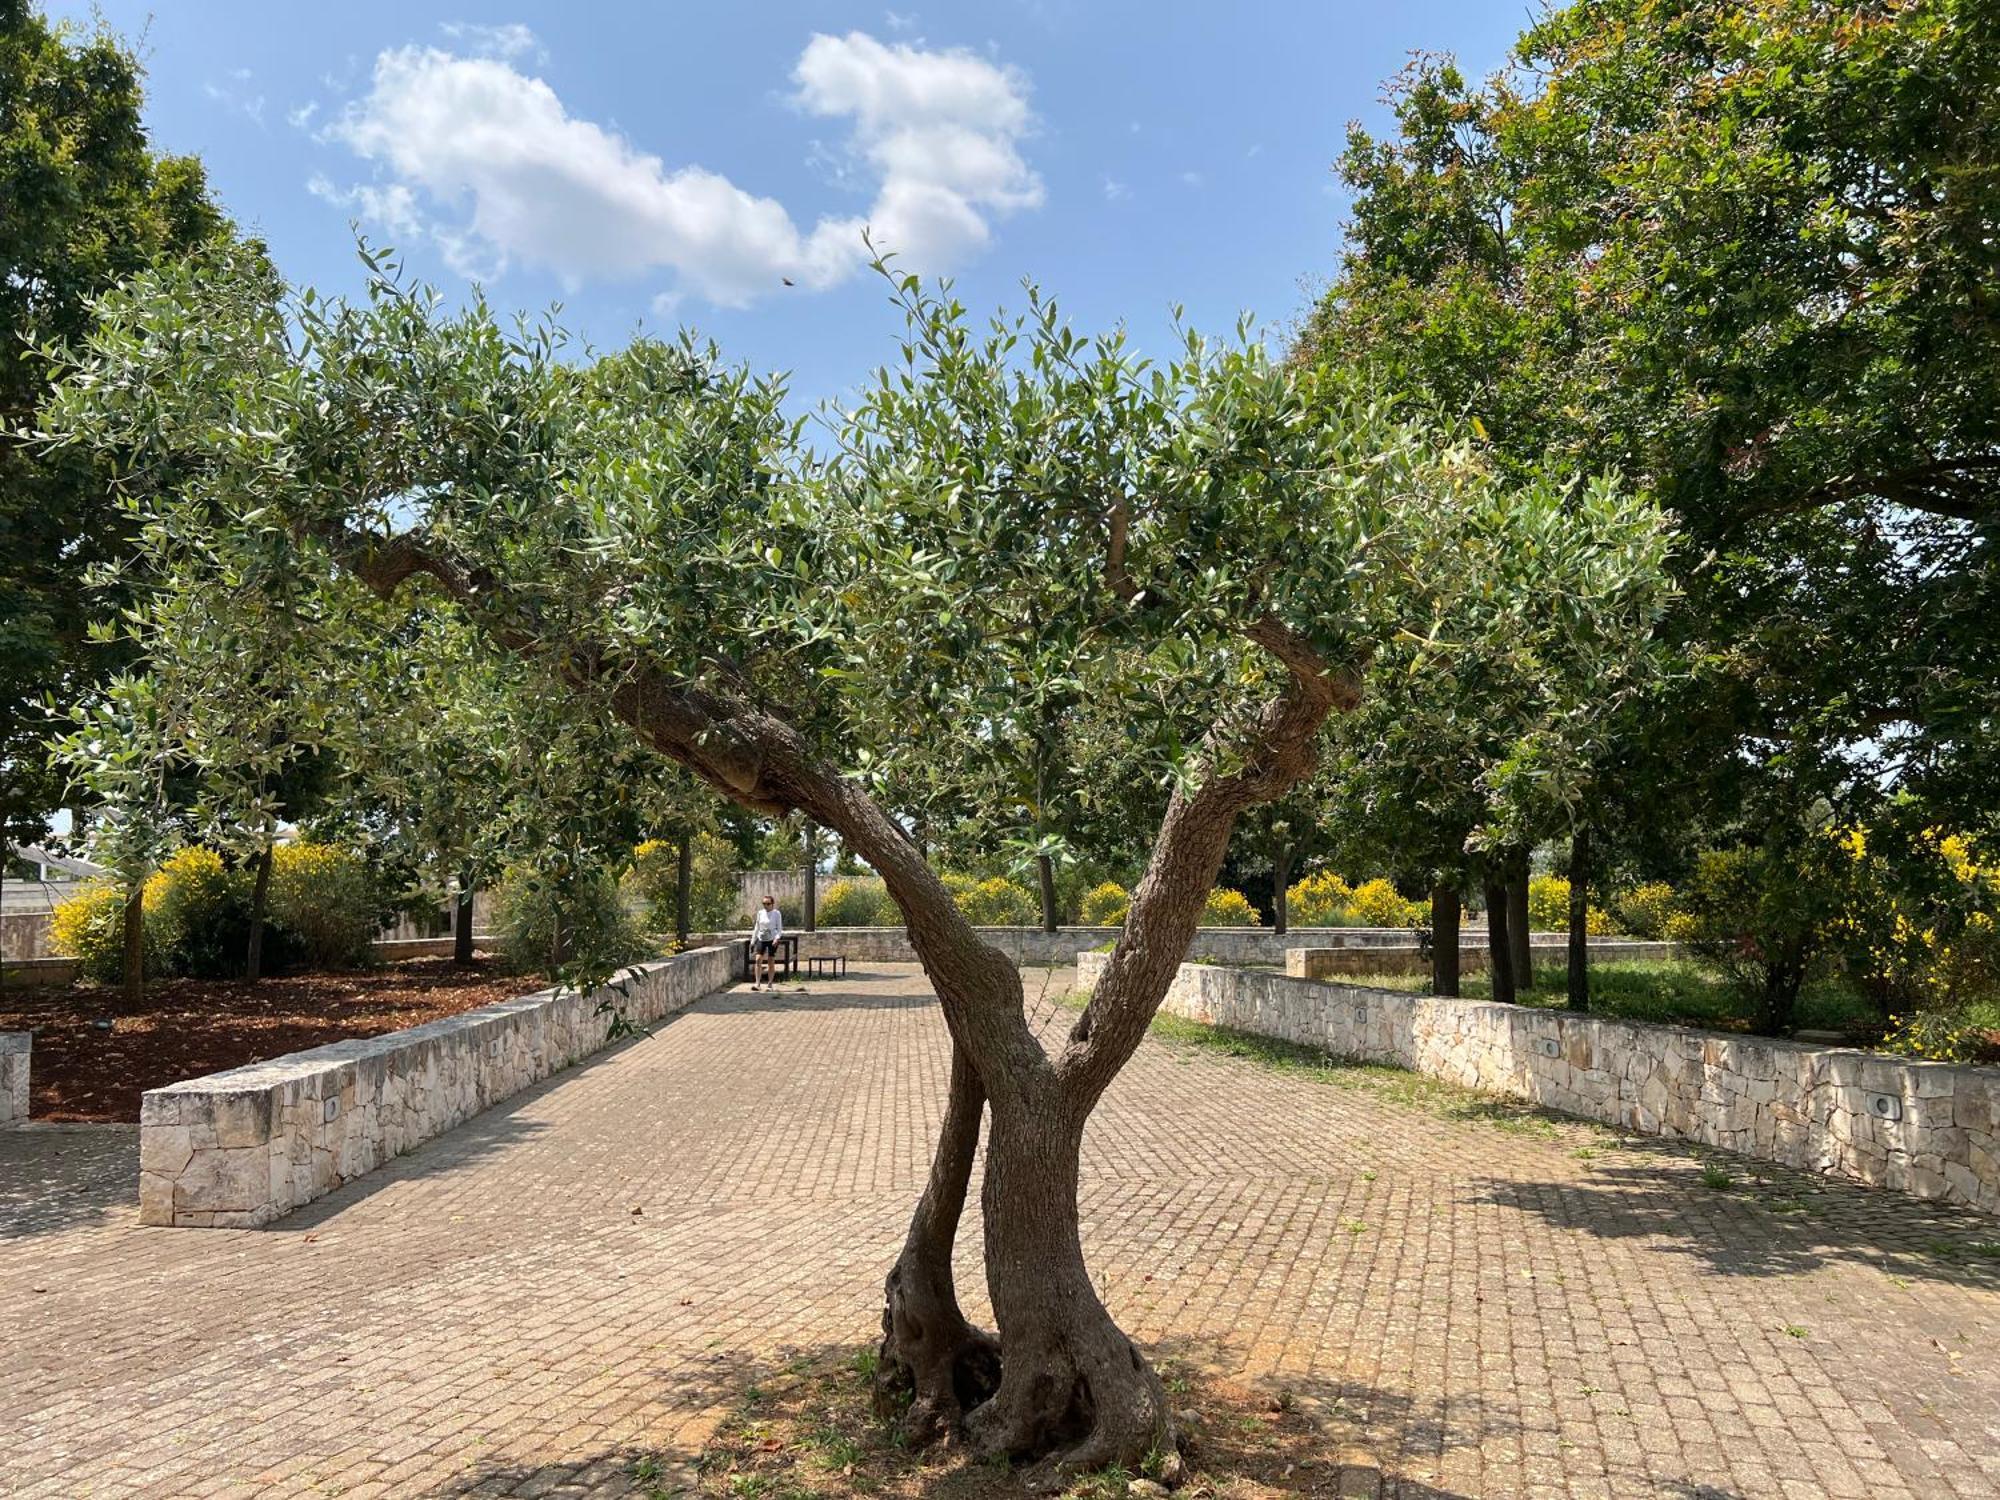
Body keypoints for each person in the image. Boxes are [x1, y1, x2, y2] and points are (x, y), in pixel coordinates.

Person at [750, 894, 784, 990]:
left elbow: (780, 929)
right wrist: (753, 941)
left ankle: (770, 984)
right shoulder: (760, 913)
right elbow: (757, 927)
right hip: (761, 939)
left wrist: (777, 938)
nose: (766, 905)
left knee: (770, 961)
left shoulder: (776, 913)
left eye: (768, 903)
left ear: (772, 904)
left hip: (772, 939)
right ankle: (757, 984)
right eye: (764, 903)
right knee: (758, 959)